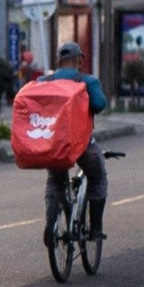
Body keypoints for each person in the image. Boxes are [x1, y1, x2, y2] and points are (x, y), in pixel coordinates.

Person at [42, 42, 108, 244]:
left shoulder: (43, 81)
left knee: (55, 180)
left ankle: (51, 223)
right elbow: (99, 104)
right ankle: (95, 228)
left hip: (52, 143)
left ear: (58, 61)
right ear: (79, 60)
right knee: (97, 177)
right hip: (81, 145)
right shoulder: (87, 81)